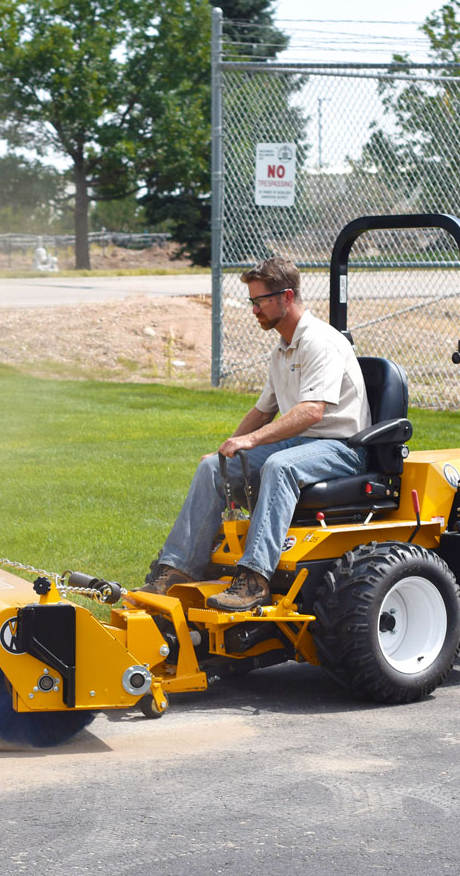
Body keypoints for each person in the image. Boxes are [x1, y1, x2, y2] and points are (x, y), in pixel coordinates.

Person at [137, 257, 371, 611]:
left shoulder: (321, 341)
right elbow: (264, 411)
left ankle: (254, 580)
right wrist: (227, 449)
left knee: (280, 466)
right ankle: (177, 570)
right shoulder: (281, 348)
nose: (254, 310)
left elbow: (312, 411)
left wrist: (251, 442)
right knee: (213, 469)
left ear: (286, 297)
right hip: (304, 444)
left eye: (259, 301)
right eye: (252, 301)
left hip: (343, 447)